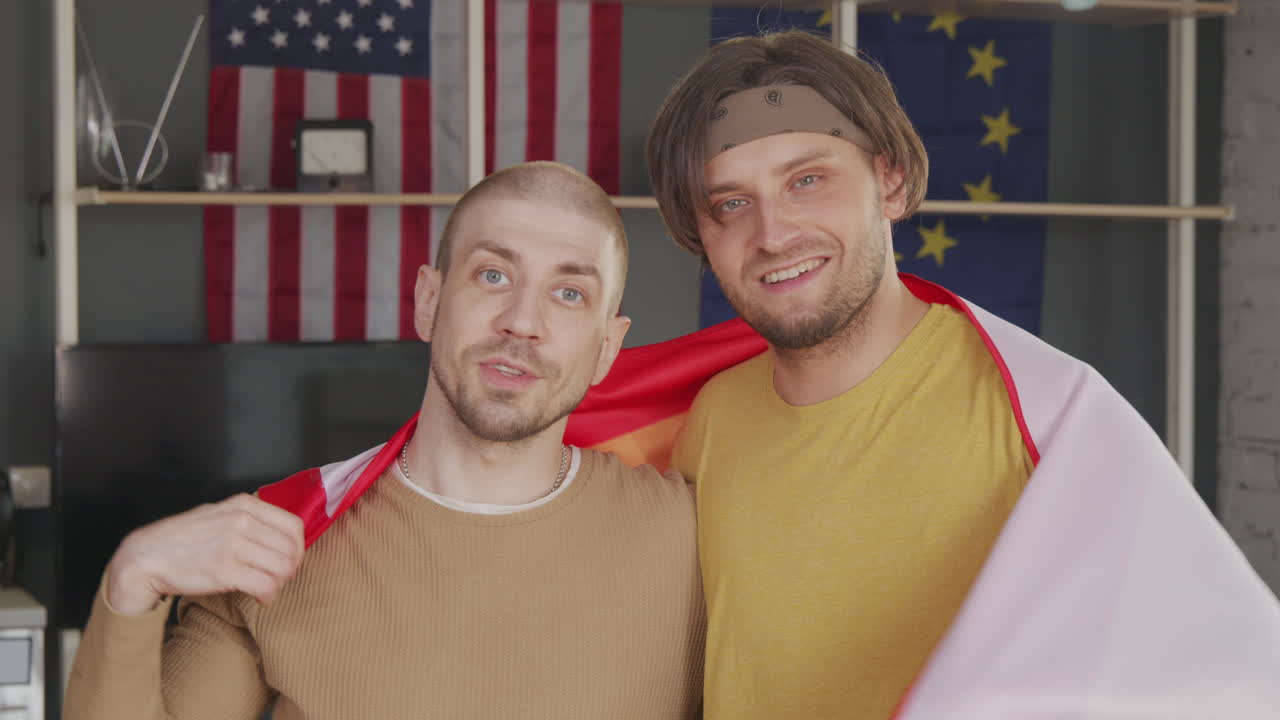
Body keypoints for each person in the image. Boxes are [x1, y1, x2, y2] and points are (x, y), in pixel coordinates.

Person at [640, 29, 1280, 719]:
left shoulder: (1048, 416)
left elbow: (1216, 670)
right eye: (731, 202)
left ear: (889, 179)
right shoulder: (709, 421)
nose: (772, 232)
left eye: (807, 179)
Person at [64, 162, 705, 720]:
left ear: (607, 349)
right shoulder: (278, 542)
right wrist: (133, 577)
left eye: (569, 293)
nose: (522, 321)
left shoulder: (692, 537)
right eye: (492, 276)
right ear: (428, 300)